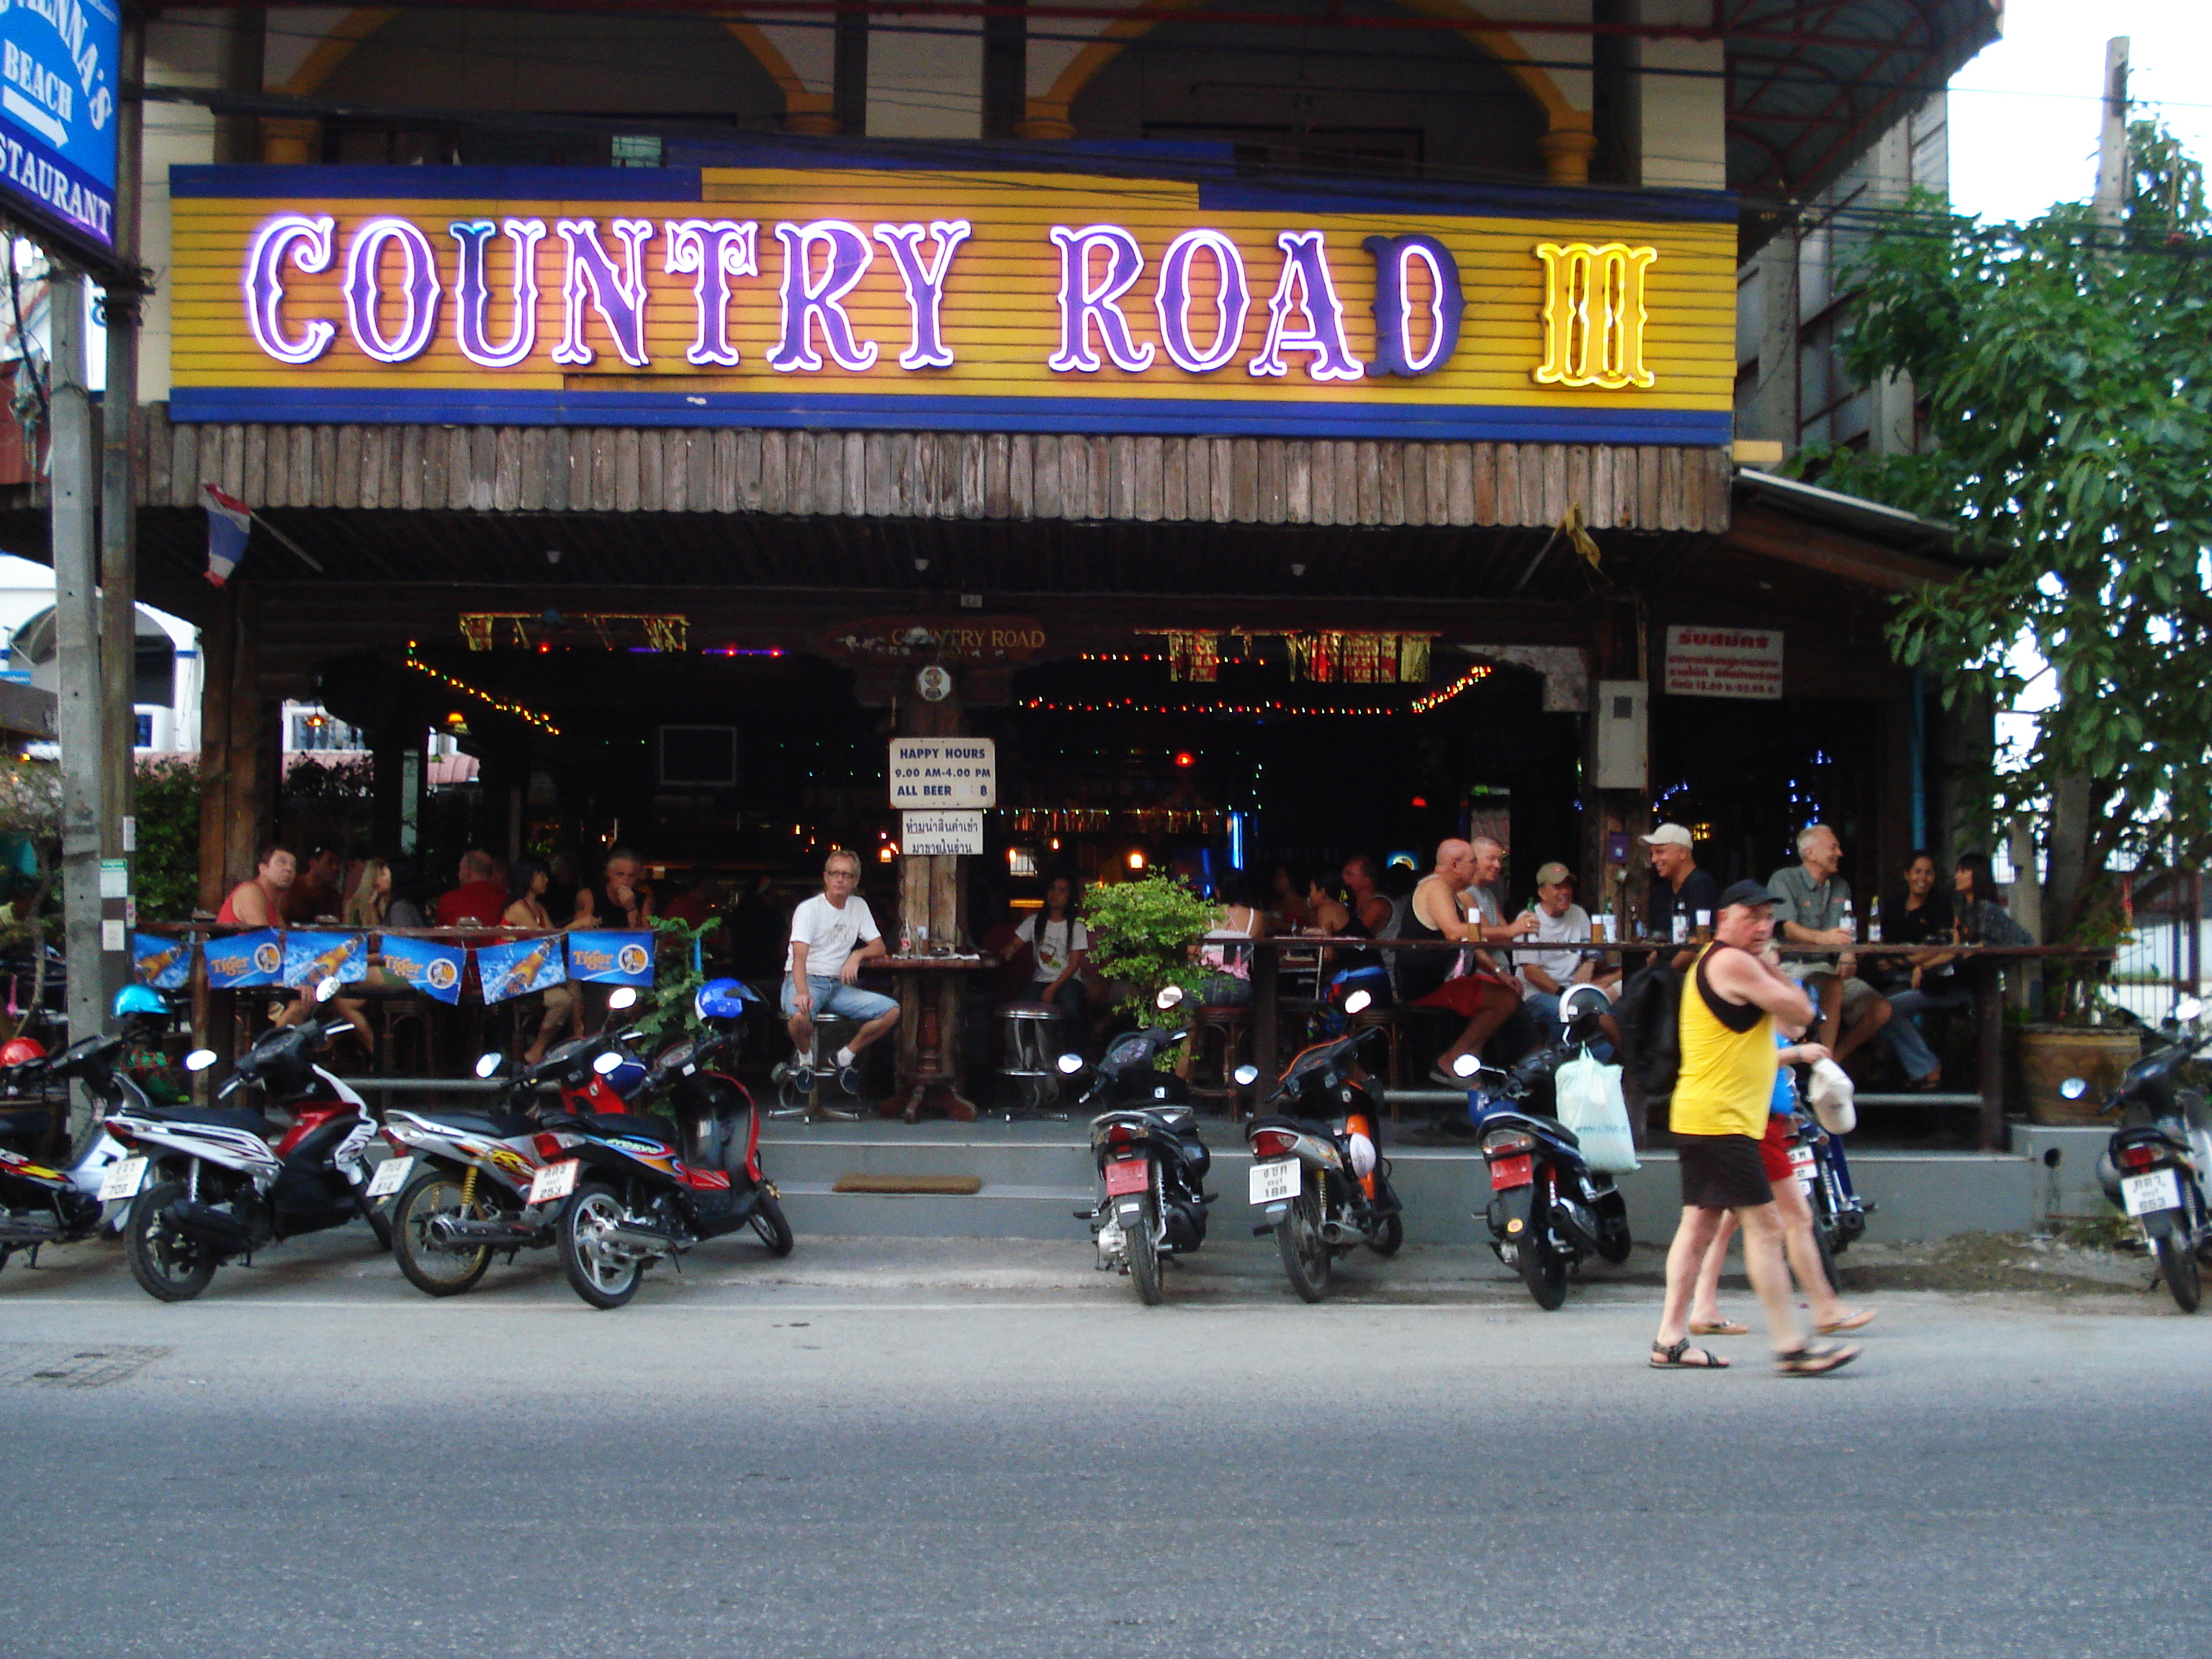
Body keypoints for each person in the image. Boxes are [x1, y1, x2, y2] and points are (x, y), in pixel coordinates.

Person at [1648, 879, 1859, 1376]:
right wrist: (1772, 968)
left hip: (1707, 1115)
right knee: (1766, 1227)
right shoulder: (1732, 961)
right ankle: (1790, 1345)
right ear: (1724, 919)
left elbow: (1787, 1026)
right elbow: (1803, 1012)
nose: (1763, 926)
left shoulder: (1713, 962)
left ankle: (1670, 1339)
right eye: (1751, 916)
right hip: (1721, 1120)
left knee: (1698, 1228)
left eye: (1768, 916)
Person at [1687, 1018, 1878, 1339]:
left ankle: (1704, 1306)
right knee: (1790, 1219)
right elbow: (1749, 1062)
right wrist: (1799, 1054)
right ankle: (1822, 1308)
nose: (1802, 1026)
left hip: (1753, 1125)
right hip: (1754, 1126)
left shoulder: (1769, 1033)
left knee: (1724, 1220)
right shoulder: (1764, 1032)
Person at [1401, 837, 1536, 1084]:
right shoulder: (1436, 886)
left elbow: (1466, 944)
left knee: (1505, 991)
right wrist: (1509, 931)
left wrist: (1498, 972)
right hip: (1426, 984)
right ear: (1454, 864)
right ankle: (1451, 1061)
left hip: (1440, 980)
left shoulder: (1452, 892)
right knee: (1505, 999)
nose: (1476, 867)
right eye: (1473, 861)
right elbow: (1455, 932)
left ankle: (1470, 1064)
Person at [1767, 824, 1891, 1064]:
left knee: (1880, 1008)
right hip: (1791, 967)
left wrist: (1847, 953)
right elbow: (1789, 929)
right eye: (1833, 847)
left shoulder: (1840, 886)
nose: (1840, 853)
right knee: (1833, 986)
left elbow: (1844, 932)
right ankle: (1824, 1065)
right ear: (1810, 853)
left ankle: (1831, 1062)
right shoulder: (1784, 879)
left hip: (1827, 968)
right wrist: (1823, 939)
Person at [782, 849, 900, 1098]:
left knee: (892, 1011)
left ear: (855, 881)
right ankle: (806, 1061)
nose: (840, 880)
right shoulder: (809, 909)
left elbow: (879, 946)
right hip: (807, 979)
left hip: (837, 986)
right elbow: (799, 958)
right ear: (825, 877)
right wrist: (802, 993)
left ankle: (844, 1057)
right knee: (800, 1017)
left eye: (847, 875)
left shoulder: (858, 906)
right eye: (835, 874)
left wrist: (856, 956)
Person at [1869, 850, 1962, 1088]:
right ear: (1907, 875)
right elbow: (1881, 941)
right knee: (1866, 1001)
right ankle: (1896, 1065)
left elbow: (1942, 947)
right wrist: (1882, 959)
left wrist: (1911, 963)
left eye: (1929, 873)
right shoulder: (1894, 905)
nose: (1923, 877)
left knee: (1885, 1008)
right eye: (1917, 871)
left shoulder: (1940, 906)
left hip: (1927, 976)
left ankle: (1920, 1067)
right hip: (1889, 972)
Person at [1515, 863, 1611, 1038]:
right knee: (1566, 1014)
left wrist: (1590, 962)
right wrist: (1565, 995)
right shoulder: (1529, 919)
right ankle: (1558, 1063)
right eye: (1557, 887)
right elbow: (1531, 972)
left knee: (1610, 1013)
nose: (1565, 892)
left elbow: (1595, 951)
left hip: (1573, 990)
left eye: (1568, 885)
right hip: (1538, 995)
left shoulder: (1578, 914)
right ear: (1542, 893)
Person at [503, 855, 579, 1066]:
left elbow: (555, 937)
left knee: (565, 995)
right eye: (541, 875)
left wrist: (575, 928)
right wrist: (577, 924)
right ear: (528, 878)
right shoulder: (518, 908)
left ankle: (546, 1048)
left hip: (535, 975)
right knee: (569, 985)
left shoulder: (537, 907)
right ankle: (566, 1039)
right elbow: (546, 938)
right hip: (514, 975)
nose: (547, 880)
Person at [1643, 823, 1722, 967]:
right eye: (1653, 853)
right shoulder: (1660, 893)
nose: (1654, 860)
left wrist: (1667, 975)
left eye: (1660, 852)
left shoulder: (1701, 885)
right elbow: (1658, 944)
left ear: (1683, 853)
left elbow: (1700, 941)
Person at [1015, 875, 1090, 1028]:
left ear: (1069, 897)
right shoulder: (1034, 921)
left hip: (1068, 981)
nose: (1055, 894)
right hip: (1040, 980)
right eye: (1052, 889)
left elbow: (1075, 963)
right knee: (1022, 1011)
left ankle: (1074, 1050)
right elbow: (1014, 945)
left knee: (1070, 1007)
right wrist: (1007, 951)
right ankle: (1031, 1049)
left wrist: (1052, 988)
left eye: (1061, 891)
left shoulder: (1077, 925)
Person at [1195, 873, 1268, 1007]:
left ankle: (1188, 1028)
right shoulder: (1255, 916)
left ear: (1217, 892)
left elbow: (1194, 951)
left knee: (1182, 999)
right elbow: (1262, 951)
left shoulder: (1205, 916)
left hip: (1204, 986)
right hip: (1238, 988)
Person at [575, 846, 653, 931]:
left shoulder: (644, 900)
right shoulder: (589, 896)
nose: (625, 881)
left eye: (631, 876)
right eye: (620, 875)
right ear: (609, 873)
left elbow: (645, 937)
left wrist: (631, 908)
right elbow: (580, 934)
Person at [218, 843, 295, 928]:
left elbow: (282, 935)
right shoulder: (250, 891)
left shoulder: (274, 900)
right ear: (263, 869)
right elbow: (263, 935)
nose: (289, 869)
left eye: (293, 866)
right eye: (282, 862)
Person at [433, 850, 507, 928]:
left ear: (467, 870)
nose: (458, 875)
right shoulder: (506, 900)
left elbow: (437, 937)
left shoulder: (448, 900)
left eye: (460, 870)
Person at [1341, 854, 1398, 937]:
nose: (1344, 878)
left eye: (1350, 875)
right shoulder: (1353, 903)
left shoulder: (1378, 905)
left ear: (1367, 881)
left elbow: (1354, 937)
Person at [287, 842, 344, 923]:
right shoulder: (291, 889)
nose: (335, 868)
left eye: (337, 864)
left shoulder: (333, 896)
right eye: (330, 862)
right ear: (313, 863)